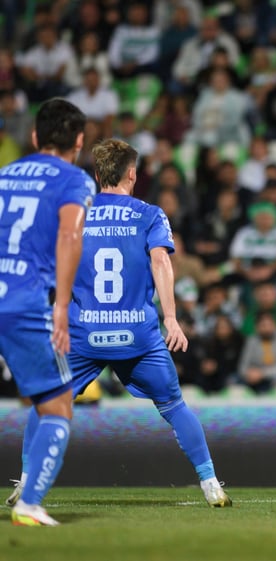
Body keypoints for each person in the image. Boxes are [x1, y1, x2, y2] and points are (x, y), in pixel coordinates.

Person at [6, 139, 232, 512]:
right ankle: (210, 484)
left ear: (97, 175)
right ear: (132, 173)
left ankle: (28, 479)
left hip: (83, 335)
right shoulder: (150, 214)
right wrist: (172, 318)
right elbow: (161, 263)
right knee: (174, 406)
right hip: (138, 336)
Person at [0, 99, 89, 526]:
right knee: (57, 406)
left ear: (35, 137)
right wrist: (62, 304)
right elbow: (70, 235)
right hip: (22, 304)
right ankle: (29, 504)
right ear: (79, 141)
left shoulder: (3, 175)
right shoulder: (74, 180)